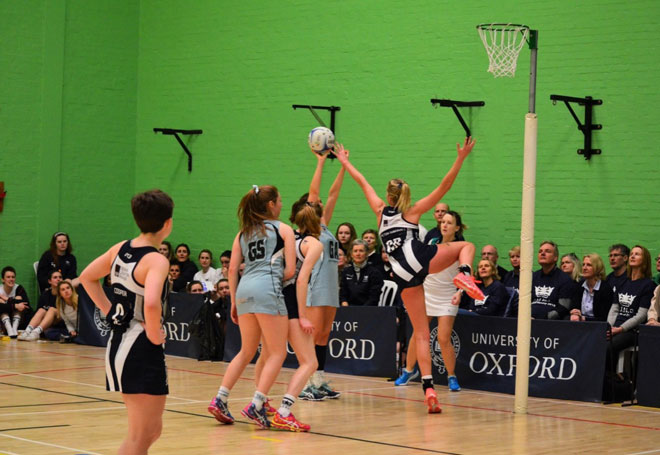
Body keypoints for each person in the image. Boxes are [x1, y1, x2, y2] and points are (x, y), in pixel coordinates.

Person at [335, 137, 483, 414]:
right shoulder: (412, 212)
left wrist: (344, 160)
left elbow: (362, 181)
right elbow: (444, 187)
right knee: (466, 246)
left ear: (388, 196)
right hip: (416, 256)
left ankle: (428, 387)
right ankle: (463, 274)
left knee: (421, 333)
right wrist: (461, 158)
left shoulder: (380, 212)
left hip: (399, 272)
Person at [79, 189, 173, 455]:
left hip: (120, 344)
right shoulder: (156, 260)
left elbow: (87, 277)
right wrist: (155, 335)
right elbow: (152, 303)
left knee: (149, 432)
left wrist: (110, 312)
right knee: (140, 437)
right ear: (167, 223)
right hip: (140, 347)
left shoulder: (119, 249)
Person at [207, 185, 295, 429]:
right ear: (270, 205)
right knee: (278, 352)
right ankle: (257, 404)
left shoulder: (242, 233)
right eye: (279, 201)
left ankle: (220, 398)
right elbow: (288, 271)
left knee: (246, 351)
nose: (281, 205)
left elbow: (232, 270)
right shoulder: (284, 229)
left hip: (244, 291)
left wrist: (234, 301)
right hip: (267, 290)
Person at [254, 203, 324, 431]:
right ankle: (284, 410)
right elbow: (301, 279)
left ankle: (260, 404)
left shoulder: (287, 237)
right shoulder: (313, 244)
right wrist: (302, 315)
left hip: (269, 295)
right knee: (309, 361)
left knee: (267, 354)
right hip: (290, 298)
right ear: (317, 221)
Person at [395, 210, 468, 390]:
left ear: (457, 228)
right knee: (418, 334)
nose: (444, 225)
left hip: (447, 296)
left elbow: (464, 275)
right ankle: (409, 370)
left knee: (443, 338)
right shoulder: (431, 243)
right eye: (443, 222)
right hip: (426, 294)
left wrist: (460, 292)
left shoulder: (461, 247)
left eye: (449, 223)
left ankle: (451, 376)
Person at [297, 146, 347, 401]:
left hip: (331, 287)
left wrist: (343, 166)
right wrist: (319, 163)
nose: (319, 203)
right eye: (314, 203)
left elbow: (333, 192)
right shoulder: (309, 230)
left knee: (325, 335)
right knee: (313, 337)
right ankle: (306, 383)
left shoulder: (324, 225)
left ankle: (319, 380)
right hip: (315, 287)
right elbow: (317, 192)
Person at [525, 241, 573, 320]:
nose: (542, 253)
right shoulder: (533, 277)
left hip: (550, 324)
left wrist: (542, 318)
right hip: (527, 321)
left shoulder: (565, 279)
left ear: (555, 257)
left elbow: (563, 307)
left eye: (547, 251)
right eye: (540, 251)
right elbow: (524, 302)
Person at [18, 270, 62, 341]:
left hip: (60, 320)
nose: (58, 279)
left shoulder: (63, 293)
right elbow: (38, 312)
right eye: (55, 277)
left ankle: (36, 332)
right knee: (41, 310)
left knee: (51, 309)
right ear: (49, 281)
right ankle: (27, 331)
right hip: (47, 322)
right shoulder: (45, 294)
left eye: (60, 277)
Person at [569, 253, 613, 322]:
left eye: (589, 265)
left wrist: (584, 319)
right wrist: (574, 313)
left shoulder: (605, 289)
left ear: (597, 268)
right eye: (583, 265)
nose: (584, 268)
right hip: (580, 324)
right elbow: (574, 306)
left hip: (597, 326)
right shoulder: (579, 285)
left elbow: (604, 318)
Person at [340, 239, 384, 306]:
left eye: (361, 251)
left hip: (368, 310)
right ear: (351, 254)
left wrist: (361, 311)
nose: (358, 254)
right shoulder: (346, 271)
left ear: (366, 254)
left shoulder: (374, 272)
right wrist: (344, 304)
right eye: (355, 251)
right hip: (348, 309)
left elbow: (374, 298)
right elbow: (343, 293)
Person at [0, 266, 30, 338]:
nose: (11, 279)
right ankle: (9, 328)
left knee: (19, 298)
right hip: (3, 319)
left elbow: (26, 303)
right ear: (3, 280)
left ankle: (14, 328)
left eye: (13, 277)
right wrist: (15, 305)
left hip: (17, 318)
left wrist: (7, 299)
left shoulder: (19, 288)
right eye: (8, 277)